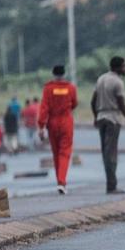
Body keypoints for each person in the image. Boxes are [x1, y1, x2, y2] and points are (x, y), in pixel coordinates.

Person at [91, 56, 125, 194]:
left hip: (101, 117)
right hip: (113, 119)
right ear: (117, 67)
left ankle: (110, 183)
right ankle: (111, 186)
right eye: (124, 66)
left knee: (105, 152)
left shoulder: (101, 79)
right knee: (111, 154)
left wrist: (95, 117)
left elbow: (93, 101)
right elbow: (121, 104)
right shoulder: (117, 82)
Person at [39, 65, 79, 194]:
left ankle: (59, 181)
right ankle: (61, 182)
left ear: (53, 74)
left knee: (56, 153)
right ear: (64, 74)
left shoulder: (48, 89)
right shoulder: (70, 88)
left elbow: (44, 108)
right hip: (66, 121)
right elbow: (74, 103)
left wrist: (41, 126)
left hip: (52, 122)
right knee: (65, 152)